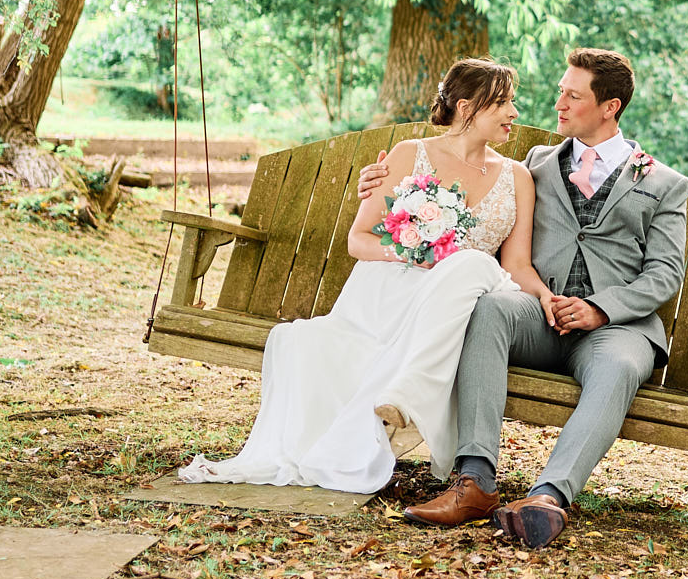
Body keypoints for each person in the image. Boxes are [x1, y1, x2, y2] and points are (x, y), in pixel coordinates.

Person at [360, 47, 688, 548]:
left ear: (610, 107)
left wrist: (600, 309)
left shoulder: (662, 183)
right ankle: (474, 480)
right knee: (490, 308)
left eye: (573, 96)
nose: (559, 103)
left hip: (616, 330)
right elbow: (466, 186)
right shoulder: (535, 164)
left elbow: (665, 274)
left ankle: (548, 498)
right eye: (561, 91)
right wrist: (376, 187)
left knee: (620, 367)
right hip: (538, 313)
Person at [175, 58, 539, 493]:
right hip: (389, 292)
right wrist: (414, 251)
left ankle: (407, 395)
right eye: (502, 102)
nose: (514, 112)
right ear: (466, 107)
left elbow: (517, 268)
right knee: (466, 264)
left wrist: (547, 299)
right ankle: (403, 395)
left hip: (455, 304)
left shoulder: (518, 177)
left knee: (473, 262)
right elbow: (358, 240)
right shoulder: (410, 156)